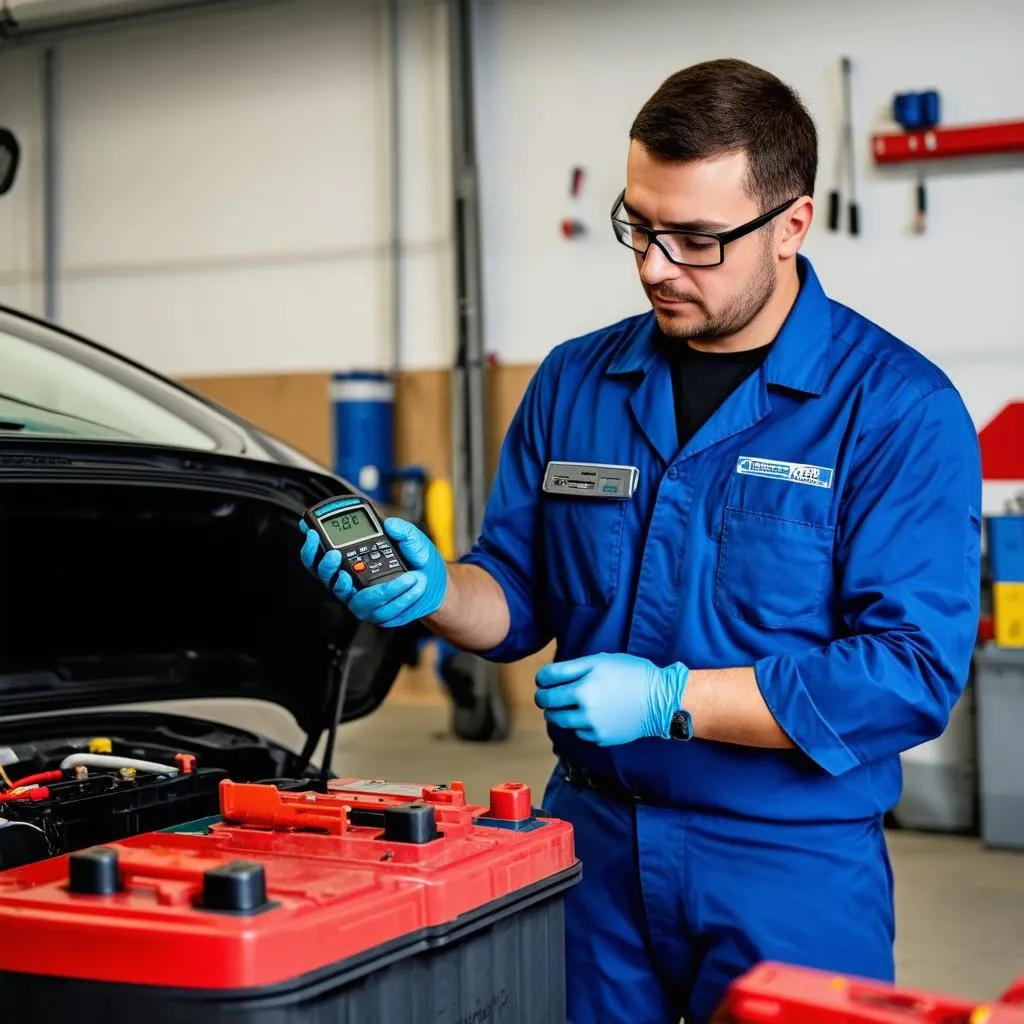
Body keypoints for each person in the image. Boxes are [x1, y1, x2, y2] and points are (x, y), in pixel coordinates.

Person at [300, 58, 982, 1024]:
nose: (657, 263)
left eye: (698, 240)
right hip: (588, 849)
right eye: (640, 226)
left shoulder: (897, 412)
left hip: (787, 864)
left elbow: (909, 672)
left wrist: (672, 700)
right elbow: (519, 587)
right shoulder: (578, 383)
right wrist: (435, 593)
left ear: (792, 224)